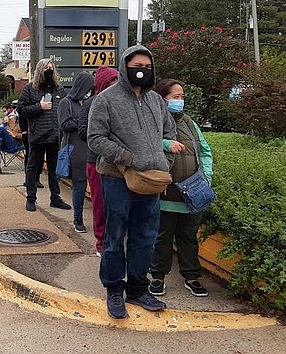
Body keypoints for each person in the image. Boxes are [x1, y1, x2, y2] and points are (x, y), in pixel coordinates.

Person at [87, 44, 176, 319]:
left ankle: (138, 289)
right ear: (125, 67)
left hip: (151, 181)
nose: (142, 72)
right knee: (115, 235)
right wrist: (127, 157)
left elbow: (169, 133)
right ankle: (114, 289)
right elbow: (95, 138)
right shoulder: (106, 100)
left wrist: (164, 162)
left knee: (145, 237)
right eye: (137, 67)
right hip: (116, 179)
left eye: (147, 68)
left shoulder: (157, 102)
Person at [149, 79, 213, 298]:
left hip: (192, 192)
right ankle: (157, 277)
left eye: (182, 97)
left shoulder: (188, 122)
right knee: (162, 237)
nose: (180, 101)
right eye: (175, 97)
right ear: (162, 99)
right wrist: (167, 144)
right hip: (166, 191)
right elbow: (145, 145)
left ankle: (191, 277)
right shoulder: (154, 121)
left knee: (188, 237)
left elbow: (204, 150)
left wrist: (206, 177)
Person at [18, 58, 70, 212]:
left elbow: (65, 109)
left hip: (55, 136)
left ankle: (55, 198)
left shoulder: (59, 90)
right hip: (37, 136)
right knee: (33, 168)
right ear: (40, 70)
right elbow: (21, 110)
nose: (49, 70)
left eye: (51, 67)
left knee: (54, 169)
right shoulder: (29, 89)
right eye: (46, 68)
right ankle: (31, 198)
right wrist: (38, 106)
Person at [79, 66, 119, 256]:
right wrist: (102, 139)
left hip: (119, 163)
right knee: (100, 203)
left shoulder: (123, 103)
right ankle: (101, 242)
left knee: (118, 204)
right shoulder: (91, 103)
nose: (117, 86)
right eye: (113, 83)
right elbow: (82, 131)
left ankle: (117, 240)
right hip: (96, 161)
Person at [58, 72, 95, 234]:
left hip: (91, 148)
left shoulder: (89, 102)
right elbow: (64, 124)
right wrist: (84, 121)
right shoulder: (66, 103)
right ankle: (77, 218)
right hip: (75, 148)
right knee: (79, 185)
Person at [19, 109, 44, 189]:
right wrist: (24, 130)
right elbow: (22, 114)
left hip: (41, 133)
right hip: (28, 133)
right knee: (30, 156)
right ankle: (28, 179)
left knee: (40, 157)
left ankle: (37, 178)